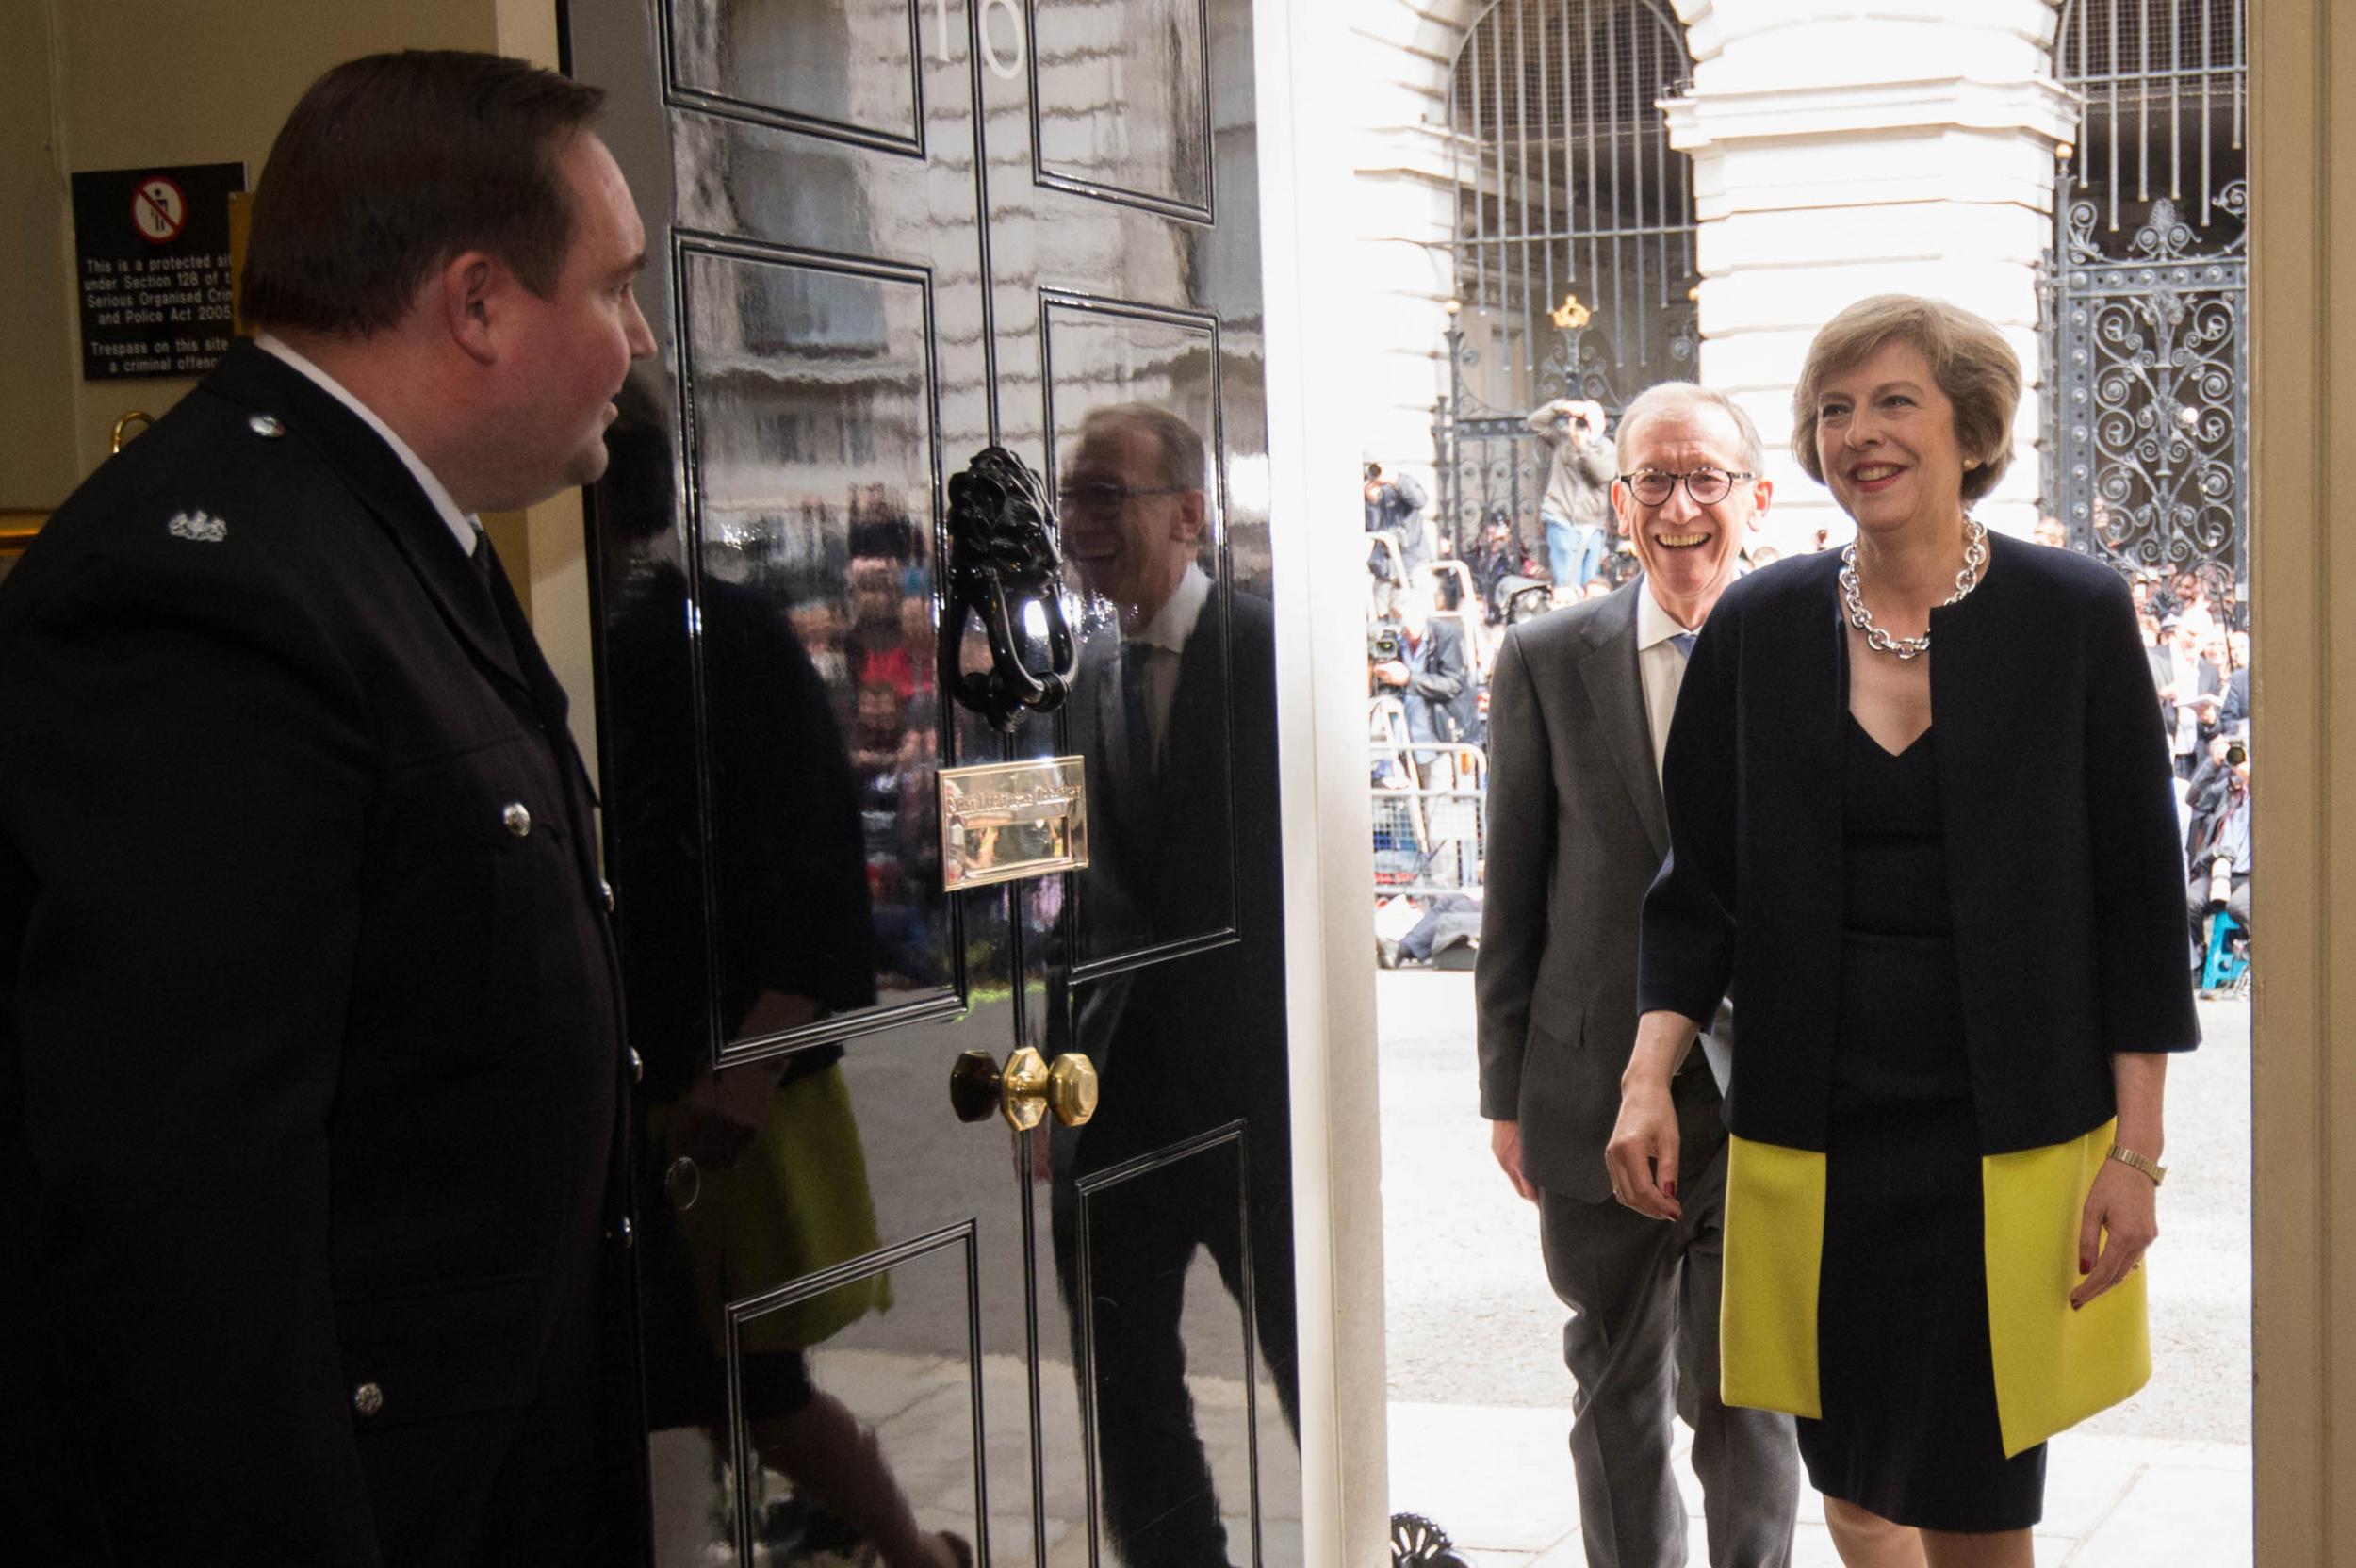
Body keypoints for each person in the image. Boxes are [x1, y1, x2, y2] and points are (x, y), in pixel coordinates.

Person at [0, 52, 656, 1564]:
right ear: (479, 304)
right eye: (614, 288)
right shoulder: (207, 589)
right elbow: (185, 1224)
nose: (635, 341)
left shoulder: (386, 531)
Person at [1610, 295, 2198, 1567]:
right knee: (1861, 1490)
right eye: (1833, 409)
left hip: (2013, 1147)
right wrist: (1647, 1076)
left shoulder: (2072, 615)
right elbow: (1695, 887)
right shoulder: (1758, 635)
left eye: (1894, 402)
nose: (1857, 433)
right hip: (1817, 1141)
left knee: (1982, 1501)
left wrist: (2137, 1156)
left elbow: (2140, 902)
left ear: (1969, 427)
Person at [1479, 381, 1799, 1568]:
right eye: (1651, 480)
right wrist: (1505, 1092)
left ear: (1754, 497)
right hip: (1587, 1083)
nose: (1677, 505)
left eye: (1704, 477)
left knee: (1742, 1388)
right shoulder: (1547, 658)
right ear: (1616, 502)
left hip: (1758, 1092)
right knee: (1612, 1384)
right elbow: (1512, 894)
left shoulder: (1815, 652)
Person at [1054, 402, 1297, 1568]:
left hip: (1251, 1105)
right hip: (1109, 1104)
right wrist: (1050, 1076)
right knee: (1125, 1379)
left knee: (1308, 1360)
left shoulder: (1270, 656)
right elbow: (1067, 902)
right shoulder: (1083, 670)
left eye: (1108, 494)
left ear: (1191, 514)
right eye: (1073, 496)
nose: (1079, 521)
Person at [1373, 577, 1483, 756]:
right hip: (1409, 737)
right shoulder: (1398, 639)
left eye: (1409, 620)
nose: (1407, 629)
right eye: (1401, 621)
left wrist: (1408, 678)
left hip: (1444, 737)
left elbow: (1453, 684)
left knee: (1441, 781)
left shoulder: (1447, 636)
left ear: (1422, 615)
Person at [1529, 396, 1617, 589]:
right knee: (1567, 587)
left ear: (1602, 422)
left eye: (1591, 417)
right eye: (1583, 417)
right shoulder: (1562, 440)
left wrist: (1583, 447)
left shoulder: (1607, 448)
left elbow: (1604, 473)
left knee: (1590, 586)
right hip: (1561, 521)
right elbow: (1535, 423)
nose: (1585, 422)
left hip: (1591, 526)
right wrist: (1562, 407)